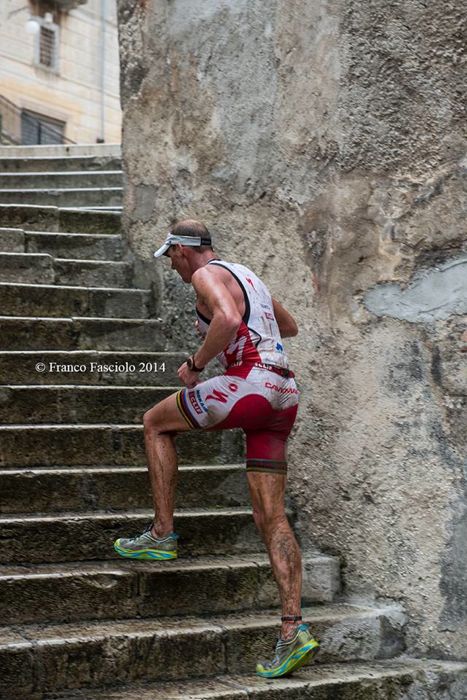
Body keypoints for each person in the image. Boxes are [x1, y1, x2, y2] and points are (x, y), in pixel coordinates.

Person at [114, 219, 319, 677]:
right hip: (283, 394)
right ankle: (291, 631)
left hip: (248, 386)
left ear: (183, 250)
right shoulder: (249, 276)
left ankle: (162, 533)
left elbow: (227, 319)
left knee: (154, 424)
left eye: (170, 257)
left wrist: (196, 364)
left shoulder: (208, 275)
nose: (171, 266)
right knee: (272, 517)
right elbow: (289, 325)